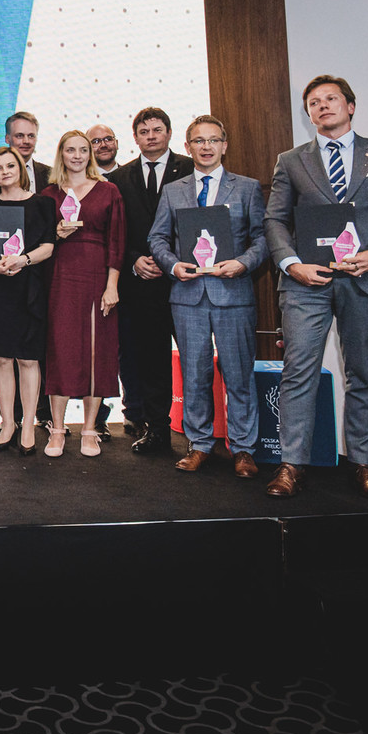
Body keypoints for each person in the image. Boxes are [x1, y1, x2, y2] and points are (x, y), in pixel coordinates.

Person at [263, 76, 368, 500]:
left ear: (350, 106)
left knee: (365, 375)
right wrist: (291, 264)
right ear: (309, 115)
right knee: (298, 372)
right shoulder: (290, 161)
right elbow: (275, 220)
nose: (322, 106)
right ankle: (292, 465)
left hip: (367, 279)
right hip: (305, 281)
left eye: (331, 98)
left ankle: (363, 464)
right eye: (313, 102)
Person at [147, 115, 269, 477]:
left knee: (239, 375)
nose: (206, 147)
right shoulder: (173, 190)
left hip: (234, 294)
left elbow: (263, 238)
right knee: (194, 374)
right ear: (188, 147)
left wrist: (242, 263)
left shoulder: (247, 188)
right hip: (188, 296)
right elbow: (157, 238)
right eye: (199, 141)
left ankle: (243, 449)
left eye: (213, 140)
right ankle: (199, 444)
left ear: (224, 145)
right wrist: (172, 265)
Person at [109, 106, 193, 454]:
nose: (151, 136)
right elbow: (117, 231)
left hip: (185, 279)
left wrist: (170, 259)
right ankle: (157, 429)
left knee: (194, 358)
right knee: (151, 359)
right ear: (135, 138)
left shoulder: (191, 168)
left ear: (169, 133)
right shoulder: (119, 178)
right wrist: (133, 260)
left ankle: (200, 435)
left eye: (157, 130)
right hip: (140, 281)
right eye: (144, 132)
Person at [40, 132, 125, 458]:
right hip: (60, 278)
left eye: (82, 150)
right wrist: (55, 233)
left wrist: (112, 284)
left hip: (98, 277)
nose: (76, 155)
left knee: (96, 351)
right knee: (60, 350)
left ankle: (90, 429)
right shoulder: (48, 194)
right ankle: (58, 429)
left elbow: (117, 240)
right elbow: (38, 240)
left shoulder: (108, 191)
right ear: (60, 154)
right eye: (70, 150)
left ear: (90, 154)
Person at [0, 147, 57, 456]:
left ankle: (29, 426)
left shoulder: (43, 203)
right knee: (1, 359)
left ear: (20, 168)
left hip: (29, 286)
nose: (5, 171)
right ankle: (8, 423)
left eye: (10, 165)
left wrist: (24, 259)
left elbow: (49, 246)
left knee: (28, 359)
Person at [4, 112, 51, 191]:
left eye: (31, 136)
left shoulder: (50, 175)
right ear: (7, 139)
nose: (26, 141)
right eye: (20, 136)